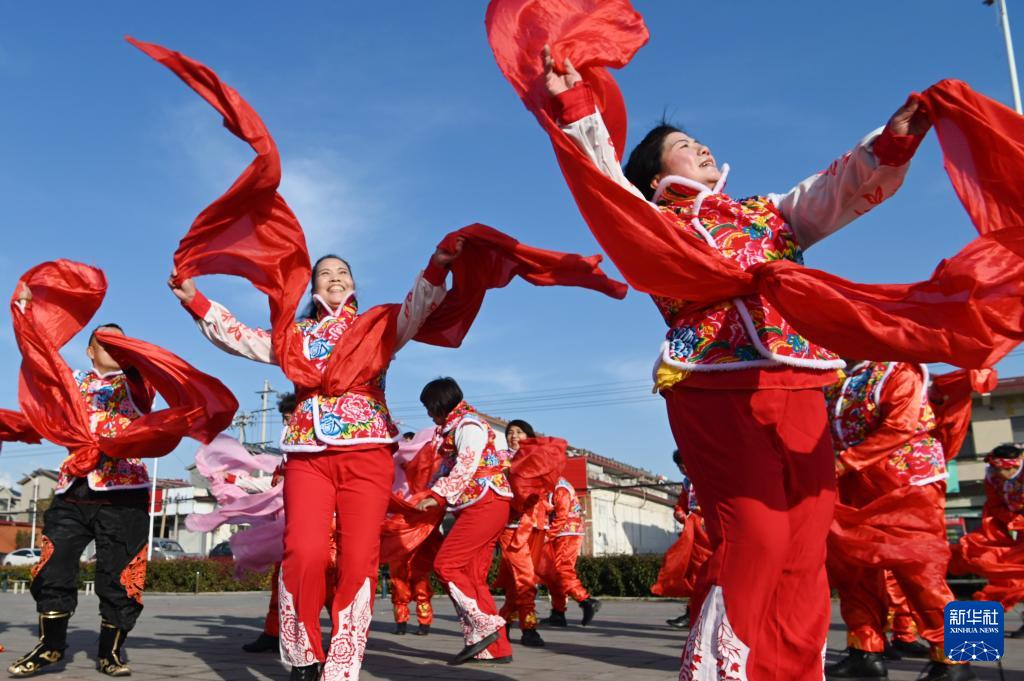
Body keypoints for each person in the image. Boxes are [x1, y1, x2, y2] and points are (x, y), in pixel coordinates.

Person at [540, 45, 926, 680]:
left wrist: (891, 143)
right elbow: (603, 183)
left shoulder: (893, 370)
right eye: (683, 145)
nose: (702, 147)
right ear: (653, 175)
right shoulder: (652, 222)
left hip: (894, 479)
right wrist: (576, 105)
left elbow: (835, 191)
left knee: (899, 565)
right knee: (774, 542)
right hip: (720, 385)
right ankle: (835, 656)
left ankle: (960, 655)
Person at [170, 247, 460, 681]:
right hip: (307, 455)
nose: (334, 277)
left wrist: (438, 265)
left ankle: (342, 663)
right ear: (313, 287)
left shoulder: (379, 326)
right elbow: (240, 336)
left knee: (358, 558)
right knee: (303, 553)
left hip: (367, 454)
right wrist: (195, 299)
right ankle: (303, 653)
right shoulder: (294, 335)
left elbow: (418, 306)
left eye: (342, 271)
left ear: (354, 283)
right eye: (325, 273)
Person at [8, 305, 152, 677]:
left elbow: (143, 383)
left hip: (124, 492)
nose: (115, 349)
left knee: (119, 576)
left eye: (122, 345)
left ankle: (110, 653)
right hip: (73, 488)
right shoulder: (73, 382)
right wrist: (26, 313)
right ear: (89, 351)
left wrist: (133, 361)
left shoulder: (136, 382)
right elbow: (42, 364)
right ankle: (51, 646)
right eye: (105, 344)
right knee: (52, 566)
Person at [824, 361, 973, 681]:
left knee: (922, 570)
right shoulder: (844, 379)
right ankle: (866, 651)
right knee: (854, 568)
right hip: (857, 487)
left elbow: (899, 427)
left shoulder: (901, 371)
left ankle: (962, 658)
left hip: (909, 484)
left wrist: (842, 463)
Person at [416, 377, 514, 664]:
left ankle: (483, 626)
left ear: (439, 404)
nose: (428, 414)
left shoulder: (468, 425)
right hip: (481, 504)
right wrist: (426, 494)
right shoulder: (456, 427)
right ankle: (496, 649)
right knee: (472, 578)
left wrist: (438, 496)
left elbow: (466, 464)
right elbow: (445, 470)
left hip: (486, 503)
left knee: (445, 565)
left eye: (429, 407)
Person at [952, 444, 1024, 639]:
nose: (999, 474)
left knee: (1016, 573)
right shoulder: (992, 477)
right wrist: (1013, 520)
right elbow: (994, 504)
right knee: (999, 565)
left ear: (1013, 465)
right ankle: (980, 622)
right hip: (1010, 524)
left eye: (1002, 469)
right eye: (996, 469)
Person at [493, 419, 547, 647]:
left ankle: (502, 622)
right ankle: (529, 628)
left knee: (518, 580)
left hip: (534, 525)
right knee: (525, 577)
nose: (514, 436)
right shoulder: (499, 458)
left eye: (519, 432)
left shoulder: (537, 458)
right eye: (510, 432)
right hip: (511, 527)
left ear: (528, 436)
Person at [537, 474, 600, 627]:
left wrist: (547, 536)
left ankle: (585, 601)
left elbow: (562, 516)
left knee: (562, 571)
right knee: (553, 573)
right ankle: (558, 613)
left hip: (566, 534)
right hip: (561, 534)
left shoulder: (560, 488)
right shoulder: (555, 486)